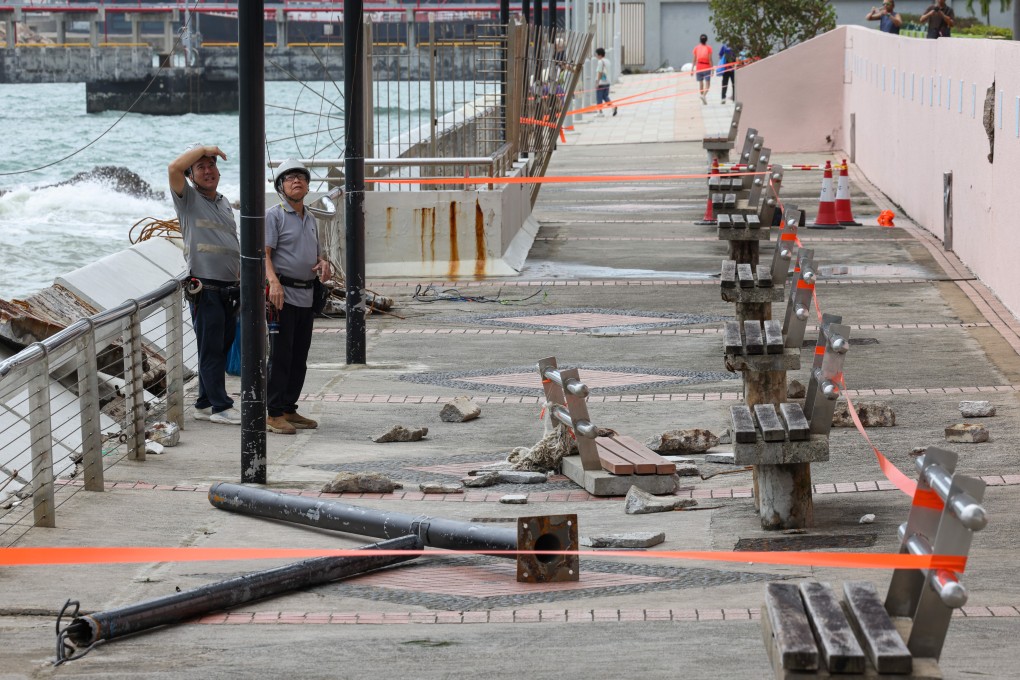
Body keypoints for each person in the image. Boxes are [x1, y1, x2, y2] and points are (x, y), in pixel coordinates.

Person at [168, 144, 241, 426]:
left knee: (220, 349)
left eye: (211, 165)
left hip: (229, 288)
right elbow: (173, 168)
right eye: (201, 167)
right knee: (210, 349)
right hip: (206, 288)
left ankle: (203, 403)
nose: (208, 171)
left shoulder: (223, 201)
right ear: (191, 176)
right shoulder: (187, 198)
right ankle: (221, 406)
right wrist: (205, 148)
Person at [264, 159, 332, 435]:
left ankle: (289, 407)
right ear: (281, 185)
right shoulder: (274, 215)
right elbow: (264, 253)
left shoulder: (311, 217)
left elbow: (315, 253)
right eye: (290, 178)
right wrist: (273, 283)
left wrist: (323, 264)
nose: (297, 181)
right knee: (280, 355)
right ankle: (273, 412)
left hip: (306, 293)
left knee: (299, 355)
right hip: (283, 295)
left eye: (301, 178)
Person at [594, 47, 617, 116]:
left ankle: (600, 112)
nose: (596, 56)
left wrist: (597, 82)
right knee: (605, 96)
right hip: (607, 82)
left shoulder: (600, 61)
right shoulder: (607, 61)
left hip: (601, 83)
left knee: (599, 97)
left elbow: (600, 72)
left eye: (596, 54)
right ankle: (613, 107)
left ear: (600, 55)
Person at [692, 34, 714, 104]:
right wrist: (712, 69)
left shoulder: (696, 48)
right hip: (706, 67)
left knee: (701, 83)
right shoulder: (709, 48)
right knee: (708, 83)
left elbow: (694, 60)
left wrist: (692, 69)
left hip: (699, 67)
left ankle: (702, 95)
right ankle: (704, 95)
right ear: (706, 40)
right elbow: (710, 60)